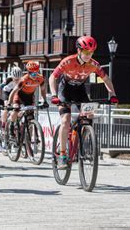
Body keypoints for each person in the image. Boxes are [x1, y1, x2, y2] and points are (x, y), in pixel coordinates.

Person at [49, 36, 117, 169]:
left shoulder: (94, 64)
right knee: (66, 120)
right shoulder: (68, 61)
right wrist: (53, 95)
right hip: (65, 90)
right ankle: (62, 155)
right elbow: (52, 77)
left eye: (91, 53)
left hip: (80, 90)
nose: (88, 55)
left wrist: (113, 95)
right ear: (79, 50)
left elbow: (106, 79)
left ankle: (83, 139)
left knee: (89, 116)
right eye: (86, 52)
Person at [7, 61, 48, 133]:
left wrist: (45, 101)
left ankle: (30, 138)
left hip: (29, 97)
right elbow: (13, 91)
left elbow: (43, 90)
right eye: (32, 73)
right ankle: (11, 126)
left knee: (31, 117)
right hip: (19, 96)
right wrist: (9, 103)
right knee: (16, 109)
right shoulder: (23, 80)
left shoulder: (40, 79)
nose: (34, 75)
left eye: (36, 72)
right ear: (28, 72)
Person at [0, 67, 23, 136]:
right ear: (12, 77)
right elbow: (4, 91)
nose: (17, 81)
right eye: (15, 79)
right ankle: (3, 126)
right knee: (6, 107)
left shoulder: (22, 81)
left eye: (18, 79)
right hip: (7, 93)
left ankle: (16, 123)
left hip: (16, 94)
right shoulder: (8, 81)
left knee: (19, 109)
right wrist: (8, 103)